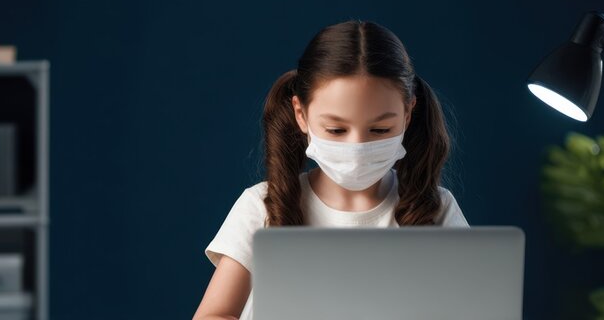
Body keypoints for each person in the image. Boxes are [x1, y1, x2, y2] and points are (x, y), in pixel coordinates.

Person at [192, 19, 469, 320]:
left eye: (379, 129)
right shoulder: (262, 207)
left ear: (408, 114)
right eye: (336, 130)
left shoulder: (436, 210)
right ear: (301, 114)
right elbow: (212, 316)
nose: (358, 146)